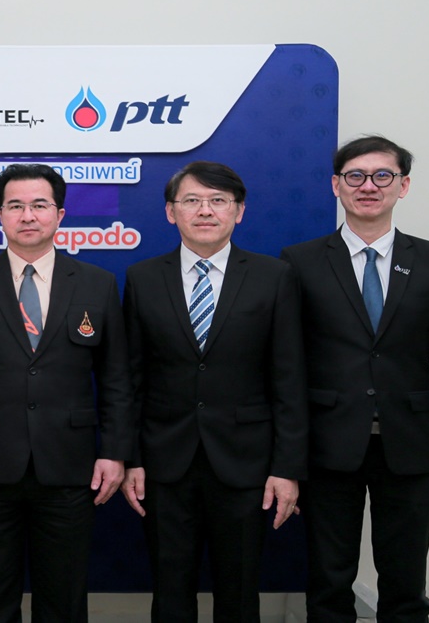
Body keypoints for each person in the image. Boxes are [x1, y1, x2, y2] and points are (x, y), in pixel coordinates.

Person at [0, 163, 133, 622]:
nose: (27, 216)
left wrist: (115, 451)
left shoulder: (97, 283)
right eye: (15, 206)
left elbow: (117, 379)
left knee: (63, 596)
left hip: (69, 465)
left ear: (60, 214)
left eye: (39, 205)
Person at [281, 135, 429, 621]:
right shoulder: (299, 262)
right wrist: (288, 458)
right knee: (328, 583)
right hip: (326, 447)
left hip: (411, 446)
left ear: (403, 186)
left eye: (383, 175)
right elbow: (287, 366)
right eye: (356, 176)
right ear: (336, 185)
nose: (369, 186)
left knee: (406, 586)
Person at [119, 161, 307, 621]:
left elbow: (289, 379)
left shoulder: (273, 276)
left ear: (239, 211)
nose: (205, 211)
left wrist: (287, 468)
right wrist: (131, 459)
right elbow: (130, 378)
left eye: (218, 200)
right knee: (170, 591)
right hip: (165, 462)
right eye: (192, 200)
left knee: (239, 592)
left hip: (247, 462)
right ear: (171, 212)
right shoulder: (143, 278)